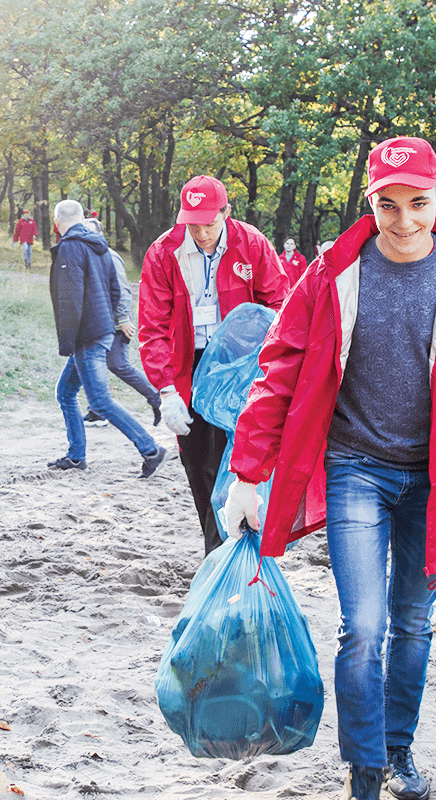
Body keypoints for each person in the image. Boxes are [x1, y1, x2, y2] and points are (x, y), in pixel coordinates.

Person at [223, 136, 436, 800]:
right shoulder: (331, 273)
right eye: (388, 205)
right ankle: (364, 767)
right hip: (355, 468)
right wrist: (248, 472)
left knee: (413, 624)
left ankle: (398, 750)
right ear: (371, 202)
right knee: (365, 628)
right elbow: (280, 371)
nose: (404, 220)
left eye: (417, 203)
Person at [138, 175, 290, 555]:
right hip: (188, 367)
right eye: (193, 223)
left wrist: (263, 366)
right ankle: (220, 546)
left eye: (210, 222)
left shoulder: (252, 244)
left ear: (226, 211)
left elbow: (279, 307)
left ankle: (225, 552)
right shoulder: (163, 252)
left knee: (238, 459)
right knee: (198, 463)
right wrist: (167, 391)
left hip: (240, 367)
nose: (202, 232)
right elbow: (152, 326)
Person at [48, 199, 169, 477]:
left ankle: (151, 449)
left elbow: (70, 299)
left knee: (100, 402)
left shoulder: (70, 247)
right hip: (101, 330)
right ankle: (76, 456)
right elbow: (117, 287)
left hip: (87, 335)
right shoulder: (99, 246)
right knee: (65, 393)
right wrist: (113, 324)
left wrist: (68, 341)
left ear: (57, 223)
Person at [83, 247, 162, 429]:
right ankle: (97, 412)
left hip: (117, 323)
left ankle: (155, 398)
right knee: (89, 364)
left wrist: (124, 317)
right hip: (98, 323)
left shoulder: (109, 256)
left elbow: (122, 289)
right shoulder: (88, 255)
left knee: (117, 364)